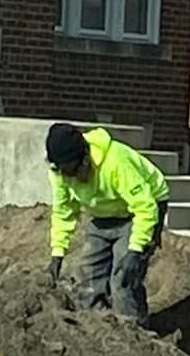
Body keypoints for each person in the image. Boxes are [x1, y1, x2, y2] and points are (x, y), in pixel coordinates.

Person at [45, 122, 169, 321]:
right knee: (87, 281)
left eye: (73, 172)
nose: (70, 178)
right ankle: (99, 332)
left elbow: (145, 206)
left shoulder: (115, 163)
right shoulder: (61, 172)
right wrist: (57, 255)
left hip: (139, 211)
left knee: (123, 281)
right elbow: (63, 211)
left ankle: (134, 335)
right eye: (64, 172)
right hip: (103, 217)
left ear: (85, 159)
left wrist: (136, 250)